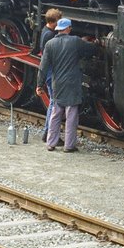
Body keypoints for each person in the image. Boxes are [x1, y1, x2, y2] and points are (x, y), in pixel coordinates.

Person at [36, 18, 97, 153]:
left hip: (57, 82)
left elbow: (43, 67)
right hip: (72, 83)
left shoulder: (50, 44)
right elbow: (91, 49)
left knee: (55, 114)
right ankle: (69, 146)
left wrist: (39, 85)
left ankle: (51, 143)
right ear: (68, 28)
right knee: (71, 115)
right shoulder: (75, 41)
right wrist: (96, 43)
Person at [36, 8, 62, 143]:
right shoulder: (50, 36)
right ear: (53, 22)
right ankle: (48, 133)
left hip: (50, 71)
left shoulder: (46, 31)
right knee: (54, 103)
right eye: (59, 21)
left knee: (54, 102)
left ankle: (48, 132)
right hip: (51, 72)